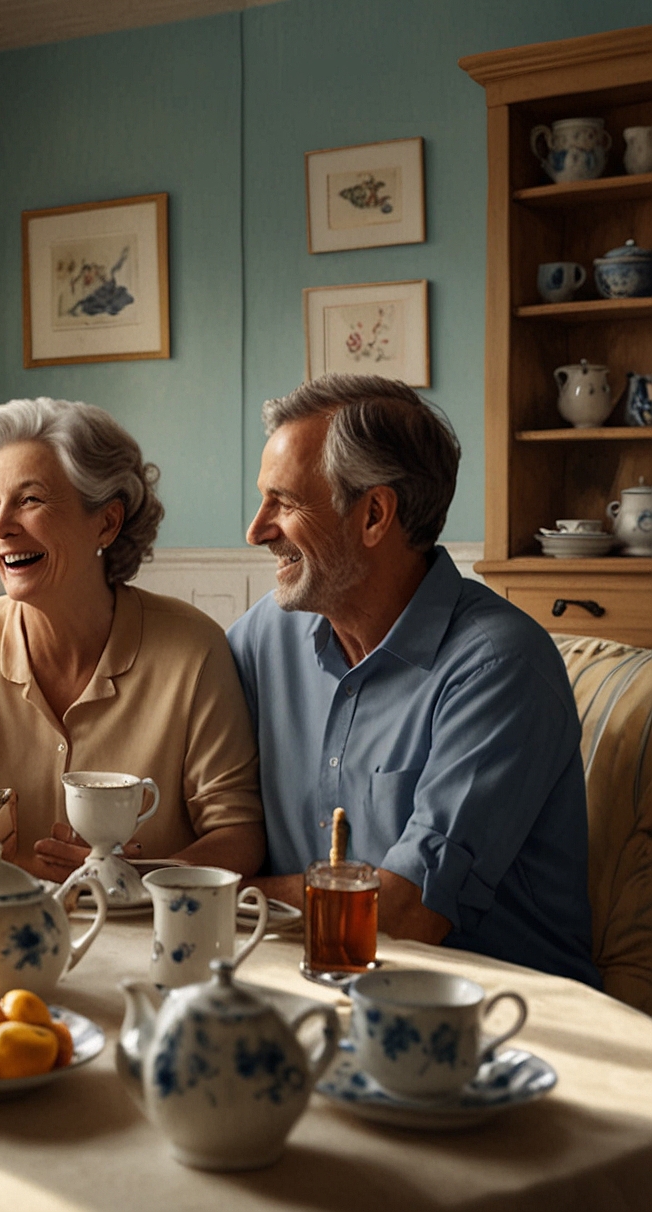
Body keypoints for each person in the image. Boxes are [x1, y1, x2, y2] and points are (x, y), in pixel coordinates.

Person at [228, 374, 598, 985]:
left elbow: (404, 911)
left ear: (374, 514)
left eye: (285, 502)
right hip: (308, 981)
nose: (257, 529)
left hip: (499, 1015)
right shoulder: (268, 634)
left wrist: (207, 894)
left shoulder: (501, 667)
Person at [0, 397, 265, 884]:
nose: (1, 526)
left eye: (30, 499)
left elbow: (239, 833)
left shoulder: (193, 650)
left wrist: (135, 876)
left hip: (139, 938)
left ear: (107, 522)